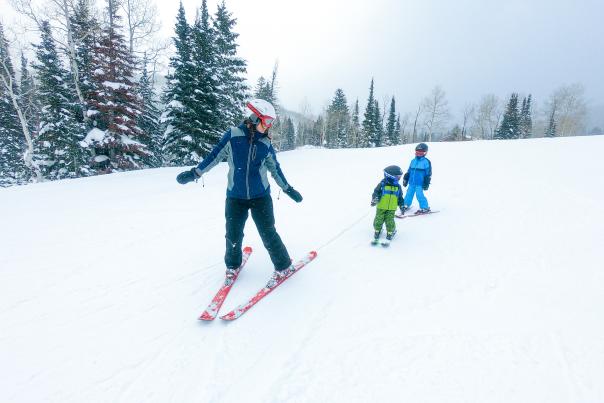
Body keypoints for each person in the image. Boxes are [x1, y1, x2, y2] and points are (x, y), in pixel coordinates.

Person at [176, 99, 303, 287]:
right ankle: (233, 265)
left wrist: (287, 189)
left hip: (261, 197)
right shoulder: (233, 136)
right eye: (267, 122)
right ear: (256, 118)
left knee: (268, 233)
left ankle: (284, 266)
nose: (269, 126)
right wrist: (196, 173)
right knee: (233, 235)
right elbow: (215, 156)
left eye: (271, 123)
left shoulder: (265, 144)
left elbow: (275, 169)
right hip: (235, 197)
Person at [371, 165, 405, 243]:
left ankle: (390, 232)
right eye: (397, 177)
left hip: (391, 208)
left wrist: (402, 205)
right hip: (381, 207)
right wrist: (374, 199)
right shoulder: (382, 184)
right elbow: (375, 192)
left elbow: (400, 197)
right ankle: (377, 231)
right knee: (378, 219)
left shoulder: (398, 187)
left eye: (399, 177)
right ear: (390, 176)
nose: (399, 178)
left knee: (390, 220)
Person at [401, 143, 432, 214]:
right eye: (417, 152)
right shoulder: (413, 161)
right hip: (411, 182)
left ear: (425, 153)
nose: (419, 154)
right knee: (409, 194)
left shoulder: (426, 162)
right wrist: (406, 178)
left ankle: (425, 208)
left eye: (421, 153)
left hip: (420, 183)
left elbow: (428, 173)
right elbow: (409, 171)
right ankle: (406, 205)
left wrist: (426, 182)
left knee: (419, 195)